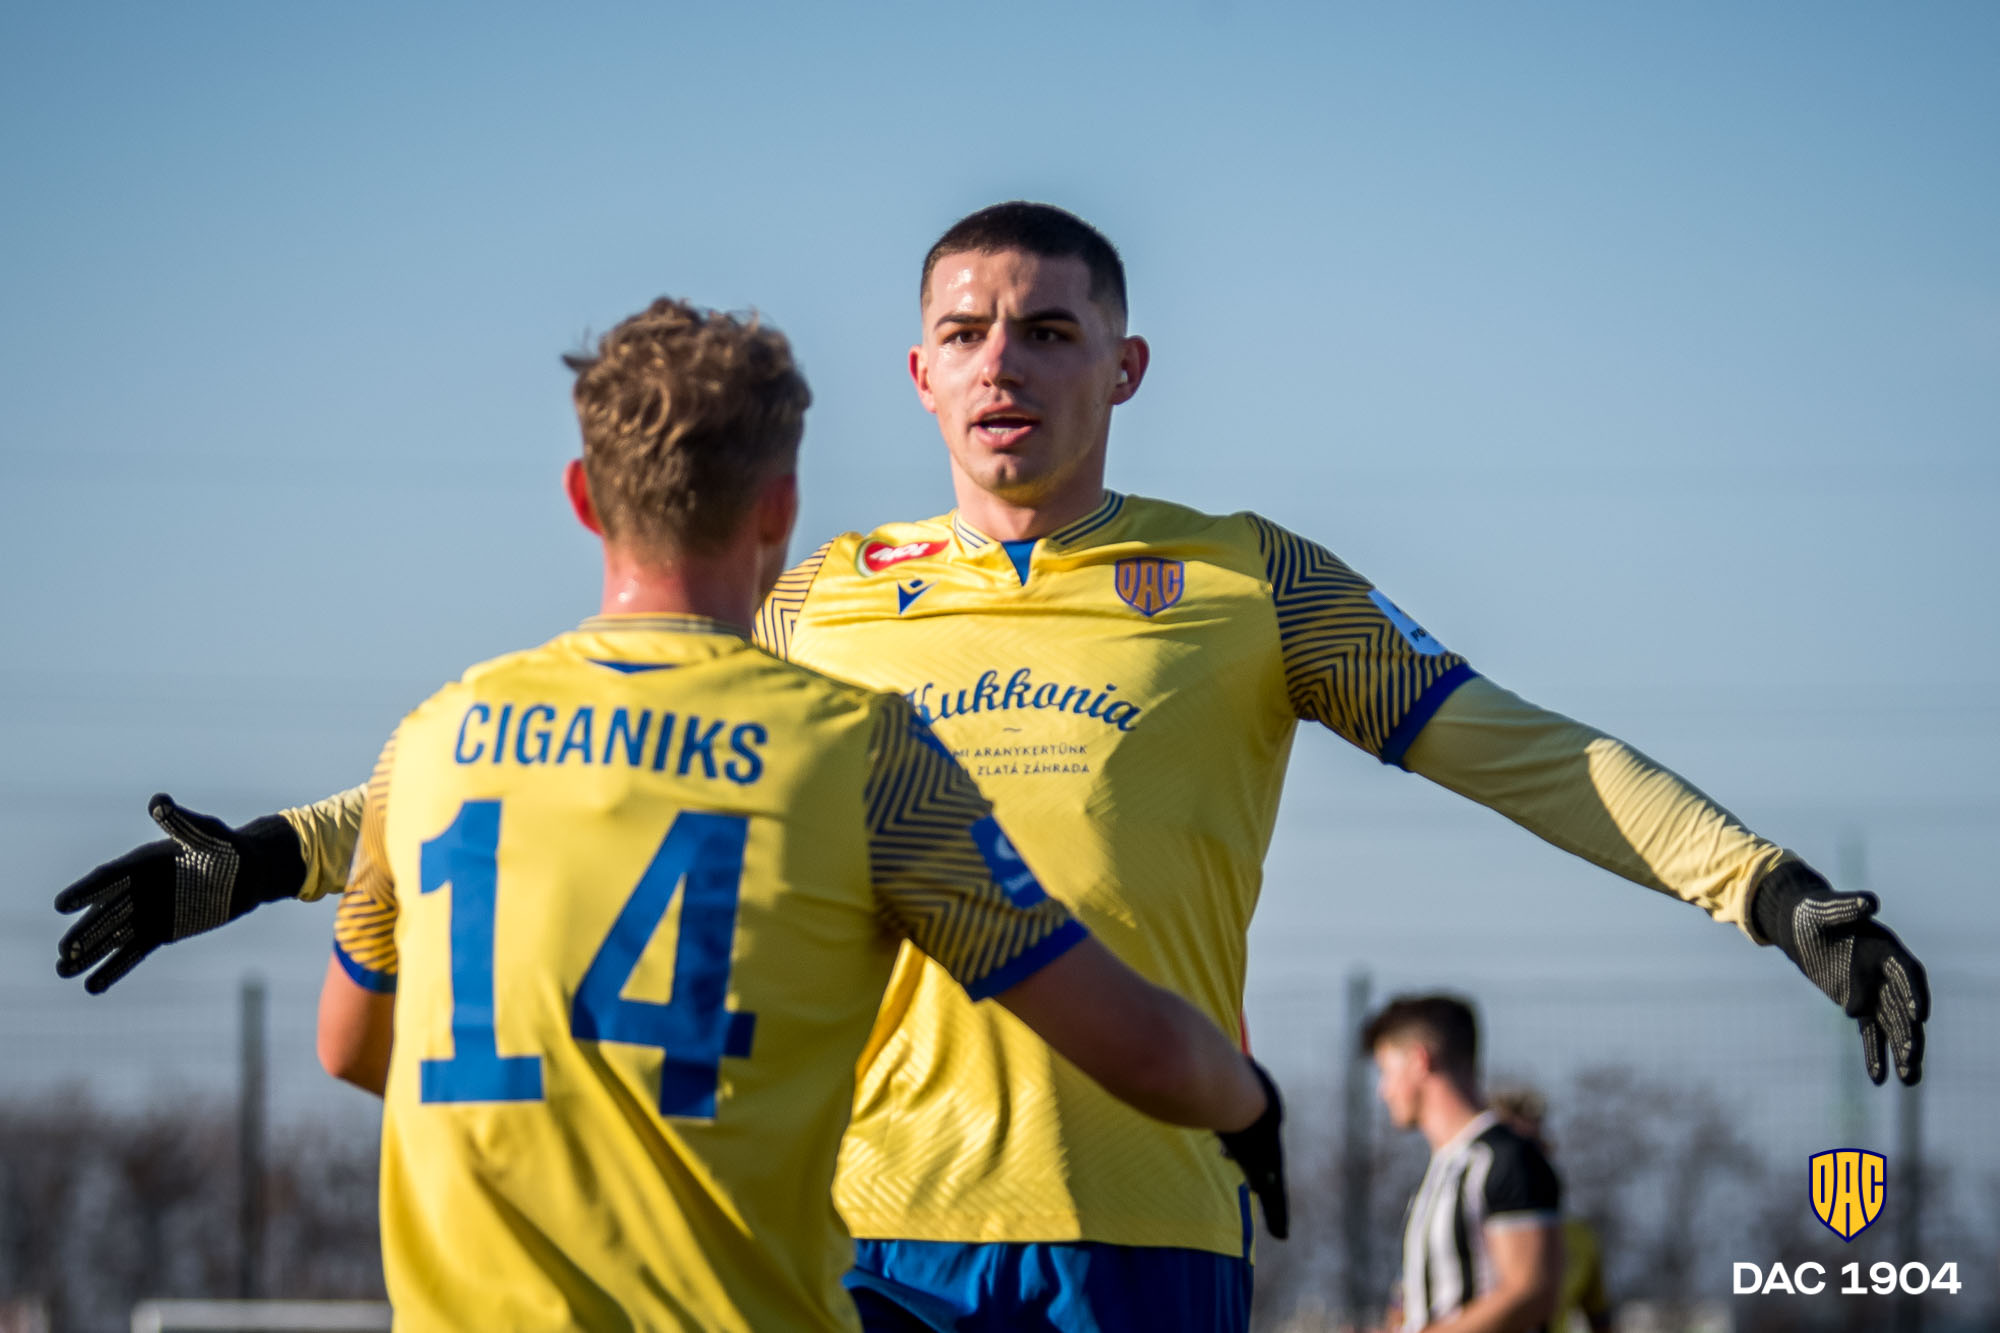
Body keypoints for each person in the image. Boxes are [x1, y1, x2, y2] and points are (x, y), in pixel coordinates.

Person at [57, 202, 1928, 1333]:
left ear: (1127, 361)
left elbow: (1530, 751)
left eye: (1047, 328)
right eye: (965, 331)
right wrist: (262, 859)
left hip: (1138, 1222)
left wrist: (1767, 892)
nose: (1003, 360)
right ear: (919, 374)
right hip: (862, 1228)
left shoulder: (1252, 581)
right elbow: (549, 763)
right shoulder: (817, 601)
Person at [309, 296, 1284, 1331]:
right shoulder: (862, 754)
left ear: (583, 497)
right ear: (779, 507)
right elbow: (1139, 1049)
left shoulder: (431, 740)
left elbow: (350, 1045)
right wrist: (1247, 1105)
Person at [1367, 996, 1562, 1333]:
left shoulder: (1505, 1160)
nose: (1383, 1091)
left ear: (1419, 1060)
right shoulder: (1444, 1167)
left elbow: (1531, 1291)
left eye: (1386, 1070)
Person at [1487, 1087, 1612, 1333]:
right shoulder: (1453, 1228)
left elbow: (1600, 1319)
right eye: (1510, 1154)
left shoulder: (1579, 1236)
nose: (1521, 1167)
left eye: (1532, 1150)